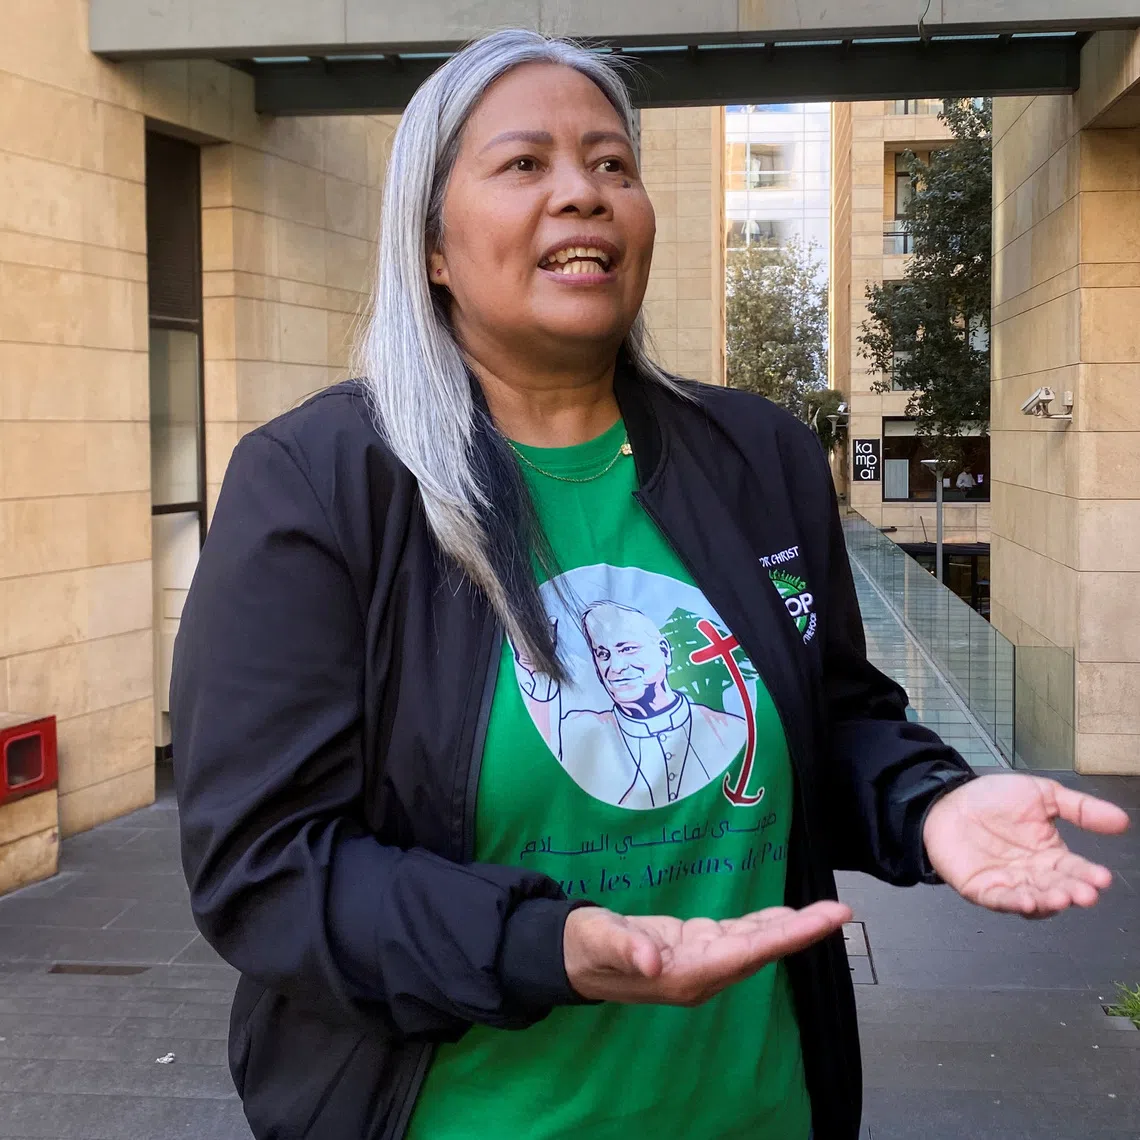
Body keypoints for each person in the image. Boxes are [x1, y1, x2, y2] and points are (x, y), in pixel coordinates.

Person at [170, 30, 1130, 1140]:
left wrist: (934, 803)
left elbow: (839, 717)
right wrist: (553, 946)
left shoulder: (758, 457)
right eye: (525, 164)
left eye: (612, 163)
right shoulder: (323, 484)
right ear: (431, 245)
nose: (583, 194)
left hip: (758, 1109)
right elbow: (267, 869)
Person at [514, 601, 748, 809]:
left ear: (664, 652)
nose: (615, 667)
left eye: (627, 649)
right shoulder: (576, 730)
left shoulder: (730, 730)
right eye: (603, 654)